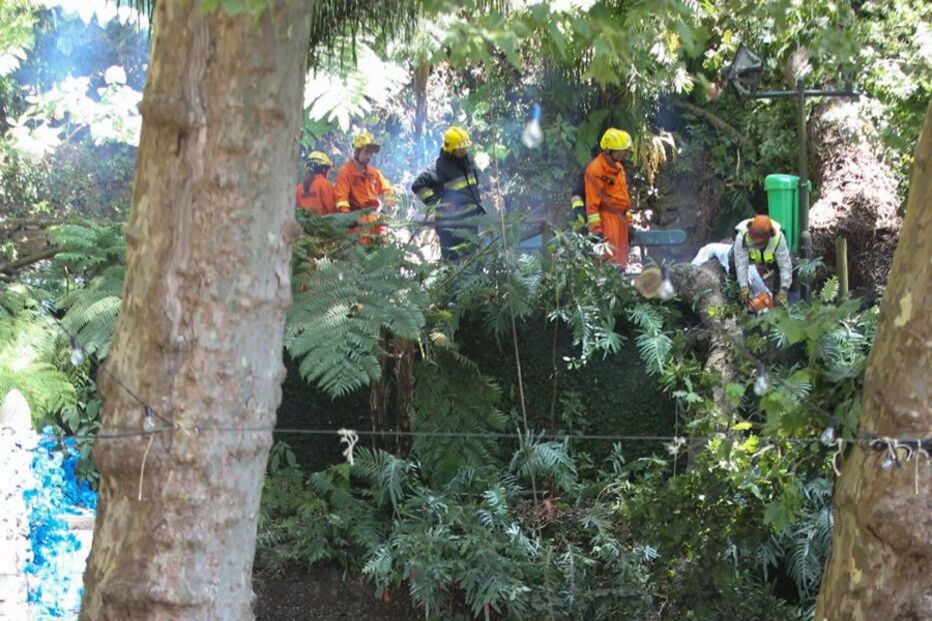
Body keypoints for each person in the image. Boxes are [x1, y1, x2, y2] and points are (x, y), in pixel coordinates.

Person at [411, 125, 485, 259]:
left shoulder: (468, 161)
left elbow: (474, 185)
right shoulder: (439, 168)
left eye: (465, 148)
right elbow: (417, 185)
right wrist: (438, 203)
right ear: (451, 149)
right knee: (454, 265)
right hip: (450, 227)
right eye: (460, 149)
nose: (463, 151)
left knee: (474, 263)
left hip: (471, 223)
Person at [584, 128, 634, 268]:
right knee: (608, 264)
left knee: (621, 264)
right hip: (607, 223)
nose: (624, 153)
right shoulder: (595, 170)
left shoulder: (619, 168)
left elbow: (624, 200)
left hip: (621, 222)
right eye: (620, 150)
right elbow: (592, 205)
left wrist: (629, 223)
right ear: (608, 151)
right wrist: (596, 231)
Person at [334, 131, 395, 244]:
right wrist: (348, 219)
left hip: (376, 222)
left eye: (371, 153)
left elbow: (388, 191)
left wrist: (386, 208)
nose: (369, 156)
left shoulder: (374, 173)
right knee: (360, 257)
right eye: (367, 152)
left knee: (379, 255)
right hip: (357, 224)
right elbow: (341, 199)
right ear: (357, 151)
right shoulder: (345, 173)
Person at [733, 214, 793, 305]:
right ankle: (738, 297)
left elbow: (785, 265)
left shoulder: (778, 239)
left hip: (771, 260)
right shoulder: (742, 237)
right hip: (750, 258)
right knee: (732, 261)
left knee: (791, 267)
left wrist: (784, 289)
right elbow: (741, 262)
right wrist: (744, 287)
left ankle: (778, 302)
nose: (755, 245)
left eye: (759, 243)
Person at [295, 151, 335, 215]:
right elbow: (333, 210)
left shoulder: (299, 188)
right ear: (324, 169)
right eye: (328, 170)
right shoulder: (325, 185)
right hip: (322, 224)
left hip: (302, 224)